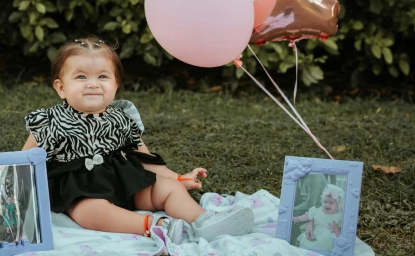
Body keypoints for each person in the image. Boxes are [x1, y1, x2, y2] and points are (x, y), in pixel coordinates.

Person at [22, 36, 253, 244]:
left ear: (116, 84)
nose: (92, 83)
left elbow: (145, 157)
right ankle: (154, 226)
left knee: (168, 189)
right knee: (90, 212)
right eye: (81, 77)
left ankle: (204, 221)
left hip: (124, 181)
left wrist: (178, 177)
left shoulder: (122, 117)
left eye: (102, 76)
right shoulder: (50, 121)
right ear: (61, 88)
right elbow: (23, 161)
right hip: (80, 189)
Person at [292, 185, 344, 251]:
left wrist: (339, 233)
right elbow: (308, 216)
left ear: (337, 206)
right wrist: (297, 218)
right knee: (309, 246)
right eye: (325, 202)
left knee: (327, 246)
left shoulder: (339, 215)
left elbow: (343, 227)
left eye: (331, 203)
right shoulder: (317, 211)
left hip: (328, 241)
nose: (327, 204)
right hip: (315, 236)